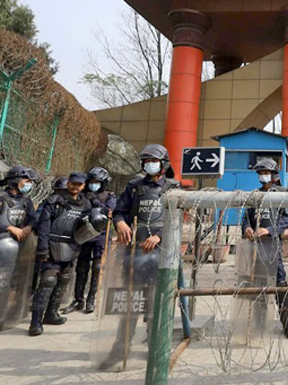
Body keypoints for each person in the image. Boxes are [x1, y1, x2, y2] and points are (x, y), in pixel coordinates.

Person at [97, 144, 179, 368]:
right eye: (146, 161)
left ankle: (156, 348)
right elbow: (120, 211)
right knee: (130, 303)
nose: (149, 164)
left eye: (154, 160)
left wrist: (160, 236)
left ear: (163, 163)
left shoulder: (173, 188)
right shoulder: (134, 187)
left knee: (155, 305)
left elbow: (177, 221)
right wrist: (120, 223)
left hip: (161, 255)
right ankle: (120, 349)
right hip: (134, 253)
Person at [28, 172, 94, 336]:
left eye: (79, 184)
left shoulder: (86, 204)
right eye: (73, 183)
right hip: (52, 245)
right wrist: (43, 247)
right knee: (48, 281)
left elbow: (87, 226)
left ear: (83, 186)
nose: (76, 187)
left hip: (72, 246)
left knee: (64, 280)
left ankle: (52, 314)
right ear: (68, 183)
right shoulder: (55, 201)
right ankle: (35, 321)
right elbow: (44, 225)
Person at [241, 158, 288, 339]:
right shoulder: (255, 195)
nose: (263, 176)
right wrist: (247, 228)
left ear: (273, 175)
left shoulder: (281, 194)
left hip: (273, 246)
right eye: (261, 173)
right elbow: (246, 218)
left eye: (266, 173)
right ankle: (259, 323)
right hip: (256, 248)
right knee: (258, 284)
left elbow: (286, 219)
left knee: (280, 283)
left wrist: (270, 230)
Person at [63, 167, 116, 315]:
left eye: (97, 182)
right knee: (81, 268)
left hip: (101, 235)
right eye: (91, 182)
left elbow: (109, 211)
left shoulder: (109, 196)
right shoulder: (82, 195)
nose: (93, 184)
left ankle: (91, 299)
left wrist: (94, 200)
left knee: (97, 267)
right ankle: (78, 300)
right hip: (84, 234)